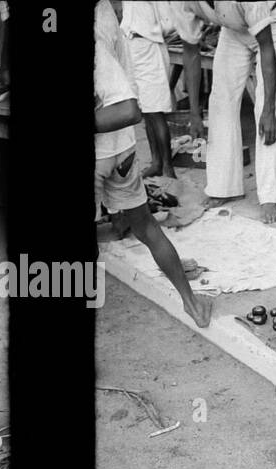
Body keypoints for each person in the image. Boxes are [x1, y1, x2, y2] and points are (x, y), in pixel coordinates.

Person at [96, 39, 213, 328]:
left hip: (101, 153)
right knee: (147, 228)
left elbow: (129, 111)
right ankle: (193, 305)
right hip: (120, 152)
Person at [175, 1, 276, 223]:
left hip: (270, 28)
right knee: (220, 102)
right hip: (233, 31)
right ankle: (223, 188)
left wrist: (269, 110)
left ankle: (269, 196)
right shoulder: (186, 2)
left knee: (264, 111)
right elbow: (190, 50)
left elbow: (267, 48)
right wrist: (194, 112)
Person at [116, 1, 176, 179]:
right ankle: (156, 163)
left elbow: (170, 21)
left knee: (156, 111)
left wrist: (150, 32)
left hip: (149, 47)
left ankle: (168, 167)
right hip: (131, 45)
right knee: (145, 111)